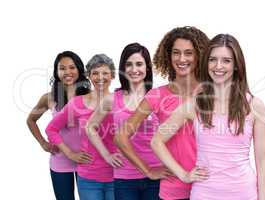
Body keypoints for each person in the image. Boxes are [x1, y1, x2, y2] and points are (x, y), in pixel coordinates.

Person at [151, 34, 265, 200]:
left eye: (226, 60)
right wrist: (183, 175)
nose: (218, 66)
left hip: (243, 193)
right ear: (206, 63)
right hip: (204, 193)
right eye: (213, 59)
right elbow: (157, 141)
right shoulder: (194, 105)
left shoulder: (254, 106)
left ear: (236, 65)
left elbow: (262, 164)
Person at [114, 27, 210, 200]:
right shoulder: (157, 95)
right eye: (176, 53)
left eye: (188, 53)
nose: (181, 59)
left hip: (209, 185)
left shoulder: (213, 93)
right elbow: (121, 136)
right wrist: (148, 171)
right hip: (173, 189)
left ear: (199, 56)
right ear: (168, 56)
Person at [87, 43, 165, 200]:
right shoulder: (112, 99)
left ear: (147, 67)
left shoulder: (159, 97)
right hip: (125, 177)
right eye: (128, 64)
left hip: (156, 174)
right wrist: (107, 156)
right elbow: (90, 127)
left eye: (139, 64)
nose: (134, 69)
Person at [45, 54, 120, 200]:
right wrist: (70, 153)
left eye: (105, 73)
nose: (100, 77)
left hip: (117, 174)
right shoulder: (78, 103)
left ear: (112, 75)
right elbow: (51, 129)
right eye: (95, 73)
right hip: (89, 177)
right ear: (89, 76)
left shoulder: (121, 100)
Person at [26, 51, 90, 200]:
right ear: (56, 72)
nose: (67, 72)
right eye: (62, 68)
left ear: (79, 70)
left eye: (72, 67)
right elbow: (31, 120)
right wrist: (43, 142)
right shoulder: (49, 98)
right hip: (60, 161)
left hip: (87, 161)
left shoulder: (91, 96)